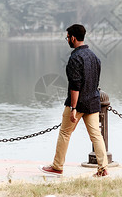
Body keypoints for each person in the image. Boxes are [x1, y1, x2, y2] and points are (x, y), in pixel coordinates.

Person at [39, 24, 109, 177]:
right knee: (96, 135)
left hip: (79, 103)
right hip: (93, 101)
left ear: (73, 38)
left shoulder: (75, 58)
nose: (67, 40)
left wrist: (73, 108)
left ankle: (57, 167)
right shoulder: (94, 56)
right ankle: (103, 169)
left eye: (68, 37)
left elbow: (75, 86)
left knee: (65, 132)